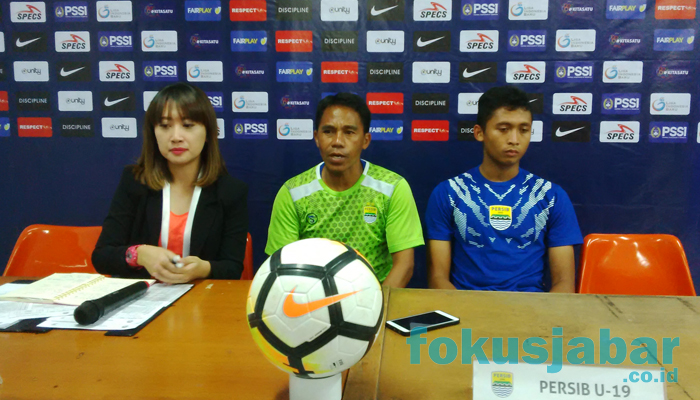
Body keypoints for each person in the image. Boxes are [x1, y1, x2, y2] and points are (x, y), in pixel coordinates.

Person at [425, 86, 582, 292]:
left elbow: (564, 283)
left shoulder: (551, 196)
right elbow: (437, 278)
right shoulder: (449, 193)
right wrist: (463, 308)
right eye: (503, 129)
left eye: (523, 130)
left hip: (531, 306)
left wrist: (543, 311)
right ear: (479, 132)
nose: (514, 140)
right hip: (467, 304)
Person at [92, 82, 248, 283]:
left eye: (188, 125)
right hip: (142, 296)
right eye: (165, 126)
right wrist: (139, 254)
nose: (176, 137)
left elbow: (232, 267)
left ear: (208, 133)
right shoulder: (135, 181)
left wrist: (204, 268)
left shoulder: (231, 191)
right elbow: (102, 256)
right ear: (153, 133)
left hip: (201, 297)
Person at [265, 93, 424, 287]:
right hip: (310, 298)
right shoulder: (293, 193)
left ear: (365, 140)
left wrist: (374, 303)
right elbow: (282, 268)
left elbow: (404, 265)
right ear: (316, 138)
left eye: (349, 132)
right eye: (328, 131)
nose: (337, 141)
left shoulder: (392, 188)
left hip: (376, 295)